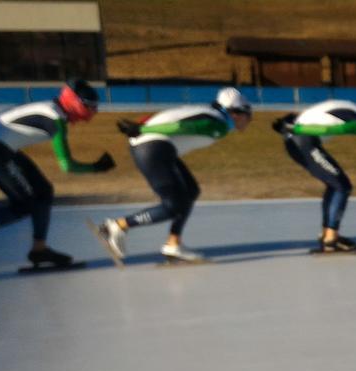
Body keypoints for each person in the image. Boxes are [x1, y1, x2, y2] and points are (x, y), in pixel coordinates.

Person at [0, 79, 113, 272]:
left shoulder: (51, 109)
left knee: (43, 192)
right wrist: (96, 167)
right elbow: (67, 165)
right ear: (75, 103)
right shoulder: (55, 119)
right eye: (90, 107)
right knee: (25, 204)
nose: (94, 112)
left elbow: (12, 115)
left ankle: (39, 249)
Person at [95, 87, 252, 264]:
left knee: (191, 190)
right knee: (172, 206)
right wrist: (142, 129)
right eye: (248, 114)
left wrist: (141, 126)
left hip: (158, 147)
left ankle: (173, 243)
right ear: (236, 113)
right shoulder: (218, 124)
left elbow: (168, 116)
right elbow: (179, 126)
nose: (249, 120)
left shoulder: (206, 112)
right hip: (153, 147)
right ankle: (117, 226)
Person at [272, 89, 356, 253]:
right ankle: (331, 239)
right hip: (303, 140)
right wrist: (296, 129)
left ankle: (328, 234)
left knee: (335, 185)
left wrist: (290, 123)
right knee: (342, 186)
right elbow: (329, 130)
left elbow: (324, 111)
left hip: (299, 138)